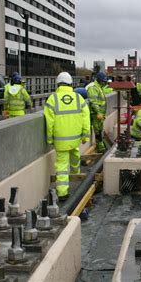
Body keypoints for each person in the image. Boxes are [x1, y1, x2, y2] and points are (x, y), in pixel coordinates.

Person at [44, 72, 90, 201]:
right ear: (71, 84)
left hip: (60, 140)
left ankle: (63, 193)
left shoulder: (53, 99)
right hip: (75, 138)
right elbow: (86, 118)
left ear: (58, 84)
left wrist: (49, 139)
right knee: (75, 155)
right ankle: (75, 176)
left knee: (62, 166)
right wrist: (86, 134)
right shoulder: (79, 98)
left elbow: (49, 122)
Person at [86, 71, 108, 153]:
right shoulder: (93, 88)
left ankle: (101, 144)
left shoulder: (99, 87)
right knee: (97, 131)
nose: (104, 83)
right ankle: (100, 147)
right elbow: (93, 102)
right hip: (95, 114)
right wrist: (98, 112)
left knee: (100, 130)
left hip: (100, 114)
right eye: (103, 81)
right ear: (99, 80)